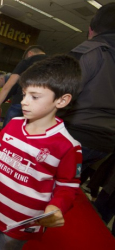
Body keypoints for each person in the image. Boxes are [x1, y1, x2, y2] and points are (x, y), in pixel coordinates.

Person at [0, 55, 82, 249]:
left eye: (34, 97)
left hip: (20, 222)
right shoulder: (15, 124)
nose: (24, 102)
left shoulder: (67, 146)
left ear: (61, 100)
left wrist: (56, 207)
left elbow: (67, 187)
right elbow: (1, 144)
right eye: (24, 94)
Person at [58, 3, 115, 181]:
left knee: (41, 186)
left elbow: (59, 94)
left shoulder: (89, 51)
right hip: (105, 142)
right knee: (69, 186)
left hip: (76, 134)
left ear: (91, 29)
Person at [0, 45, 47, 128]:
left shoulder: (27, 61)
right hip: (42, 108)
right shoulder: (55, 63)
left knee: (7, 132)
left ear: (30, 54)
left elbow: (8, 86)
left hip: (20, 103)